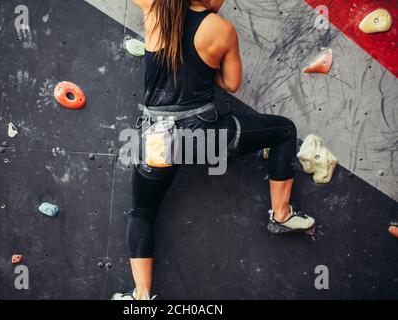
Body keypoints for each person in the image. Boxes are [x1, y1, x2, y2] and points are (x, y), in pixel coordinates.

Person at [112, 0, 316, 300]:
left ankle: (141, 296)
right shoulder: (221, 29)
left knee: (142, 211)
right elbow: (232, 83)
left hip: (156, 142)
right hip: (204, 141)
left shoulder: (155, 9)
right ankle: (281, 215)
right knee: (284, 131)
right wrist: (206, 70)